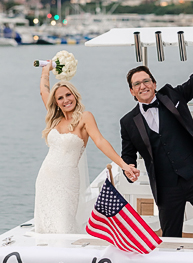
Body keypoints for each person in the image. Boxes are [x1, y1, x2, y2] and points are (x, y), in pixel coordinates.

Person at [119, 23, 193, 240]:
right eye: (137, 84)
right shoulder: (127, 122)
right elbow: (128, 155)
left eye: (146, 81)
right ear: (132, 91)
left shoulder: (172, 96)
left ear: (154, 84)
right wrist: (129, 169)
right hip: (166, 188)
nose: (143, 86)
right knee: (170, 238)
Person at [34, 63, 139, 234]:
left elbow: (100, 141)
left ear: (75, 96)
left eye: (69, 95)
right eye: (60, 98)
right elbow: (43, 91)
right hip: (45, 178)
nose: (66, 100)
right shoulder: (55, 118)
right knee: (45, 224)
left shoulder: (85, 117)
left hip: (67, 181)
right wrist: (46, 69)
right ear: (56, 102)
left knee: (63, 224)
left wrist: (124, 165)